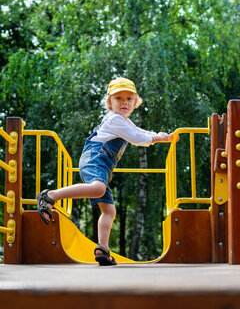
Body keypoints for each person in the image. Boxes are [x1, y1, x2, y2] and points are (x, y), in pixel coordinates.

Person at [37, 77, 177, 266]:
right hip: (95, 158)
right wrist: (158, 138)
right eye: (118, 98)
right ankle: (50, 196)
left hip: (102, 165)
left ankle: (102, 249)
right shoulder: (115, 119)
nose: (124, 102)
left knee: (109, 210)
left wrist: (160, 136)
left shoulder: (124, 121)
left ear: (135, 103)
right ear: (109, 103)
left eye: (129, 98)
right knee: (98, 188)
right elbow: (137, 138)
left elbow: (140, 131)